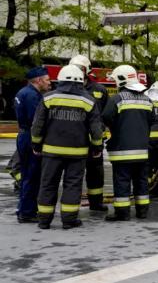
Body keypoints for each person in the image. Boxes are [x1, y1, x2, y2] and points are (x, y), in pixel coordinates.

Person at [30, 65, 104, 229]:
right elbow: (96, 130)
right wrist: (97, 148)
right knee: (73, 185)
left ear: (61, 79)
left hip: (51, 151)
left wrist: (36, 144)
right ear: (80, 81)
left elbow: (37, 126)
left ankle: (44, 220)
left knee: (48, 184)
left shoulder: (48, 98)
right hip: (77, 154)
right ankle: (69, 220)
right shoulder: (88, 100)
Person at [102, 65, 153, 221]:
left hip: (122, 150)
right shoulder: (148, 100)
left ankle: (122, 213)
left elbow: (105, 118)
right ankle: (142, 211)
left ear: (121, 80)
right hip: (143, 150)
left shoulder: (117, 99)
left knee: (122, 181)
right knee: (141, 181)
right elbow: (151, 121)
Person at [68, 55, 109, 212]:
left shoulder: (99, 90)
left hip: (95, 142)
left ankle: (96, 203)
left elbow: (105, 114)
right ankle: (71, 205)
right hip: (75, 139)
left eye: (81, 68)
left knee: (96, 174)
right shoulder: (68, 89)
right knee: (74, 175)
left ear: (87, 70)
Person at [14, 66, 51, 223]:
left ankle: (24, 209)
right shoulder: (32, 96)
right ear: (38, 80)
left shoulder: (24, 92)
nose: (49, 82)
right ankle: (27, 212)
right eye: (47, 79)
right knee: (32, 175)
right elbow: (37, 121)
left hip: (24, 135)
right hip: (30, 136)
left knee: (27, 174)